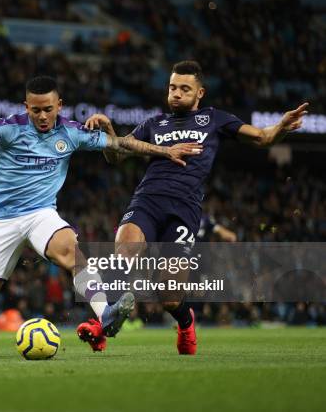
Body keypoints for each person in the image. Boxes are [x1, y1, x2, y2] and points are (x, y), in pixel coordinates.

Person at [0, 76, 203, 356]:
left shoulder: (71, 131)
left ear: (59, 105)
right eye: (35, 110)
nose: (42, 116)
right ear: (26, 107)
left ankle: (105, 314)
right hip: (3, 221)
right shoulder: (7, 128)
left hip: (41, 214)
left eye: (48, 109)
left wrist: (164, 151)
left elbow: (119, 146)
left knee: (72, 251)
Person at [85, 60, 308, 355]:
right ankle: (105, 321)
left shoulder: (215, 120)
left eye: (184, 89)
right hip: (147, 201)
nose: (176, 93)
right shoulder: (154, 124)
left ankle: (186, 322)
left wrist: (280, 126)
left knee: (170, 297)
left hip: (184, 211)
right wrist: (108, 130)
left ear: (199, 93)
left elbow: (262, 138)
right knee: (125, 245)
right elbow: (116, 155)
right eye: (172, 87)